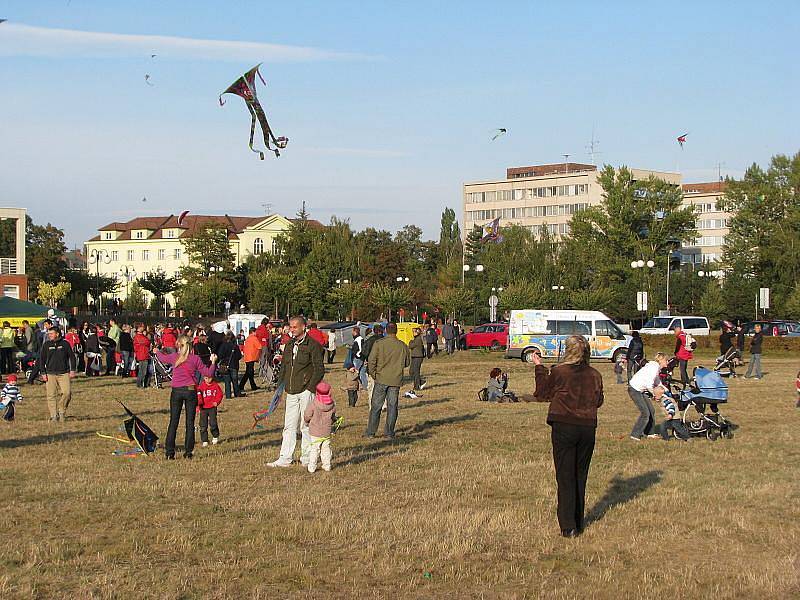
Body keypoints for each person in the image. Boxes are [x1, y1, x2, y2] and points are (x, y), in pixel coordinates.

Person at [530, 336, 603, 538]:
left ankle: (568, 525)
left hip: (564, 426)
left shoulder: (560, 372)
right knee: (581, 474)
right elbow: (599, 401)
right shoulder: (595, 374)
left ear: (568, 351)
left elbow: (541, 393)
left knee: (565, 475)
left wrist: (539, 367)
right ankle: (578, 522)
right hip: (587, 428)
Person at [267, 316, 325, 468]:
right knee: (289, 426)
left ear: (303, 327)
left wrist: (310, 388)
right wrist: (279, 387)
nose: (291, 330)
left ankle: (306, 457)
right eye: (290, 327)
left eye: (294, 327)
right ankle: (285, 458)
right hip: (291, 391)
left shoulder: (313, 345)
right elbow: (285, 367)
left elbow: (319, 369)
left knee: (305, 425)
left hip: (306, 390)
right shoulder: (289, 344)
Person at [157, 335, 217, 459]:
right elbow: (208, 373)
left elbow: (161, 358)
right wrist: (213, 362)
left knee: (173, 421)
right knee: (190, 423)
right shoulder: (195, 359)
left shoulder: (175, 357)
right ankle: (188, 452)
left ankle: (169, 452)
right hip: (190, 391)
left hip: (176, 391)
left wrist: (157, 351)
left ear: (179, 345)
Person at [365, 323, 410, 439]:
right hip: (395, 380)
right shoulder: (402, 345)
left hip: (380, 378)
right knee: (392, 406)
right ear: (396, 331)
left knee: (376, 406)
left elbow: (371, 360)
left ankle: (371, 432)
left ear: (386, 330)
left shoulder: (379, 344)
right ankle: (389, 432)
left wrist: (373, 374)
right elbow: (407, 363)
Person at [628, 353, 670, 441]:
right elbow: (649, 384)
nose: (667, 362)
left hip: (641, 390)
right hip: (634, 389)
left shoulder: (656, 368)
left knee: (651, 410)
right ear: (661, 360)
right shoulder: (653, 368)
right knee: (645, 413)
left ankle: (649, 433)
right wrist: (655, 394)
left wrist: (667, 391)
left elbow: (658, 382)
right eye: (666, 360)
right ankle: (635, 435)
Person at [39, 327, 77, 422]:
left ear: (57, 334)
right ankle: (53, 416)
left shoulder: (65, 344)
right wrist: (43, 372)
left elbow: (72, 357)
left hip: (63, 373)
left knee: (67, 393)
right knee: (51, 395)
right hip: (50, 374)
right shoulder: (46, 345)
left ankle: (62, 411)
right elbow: (41, 359)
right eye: (49, 333)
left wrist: (72, 370)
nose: (49, 335)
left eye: (51, 333)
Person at [303, 381, 336, 473]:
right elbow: (333, 417)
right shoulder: (332, 404)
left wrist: (306, 422)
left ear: (317, 392)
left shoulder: (313, 404)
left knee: (315, 449)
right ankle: (327, 465)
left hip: (315, 432)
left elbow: (307, 415)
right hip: (326, 431)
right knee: (326, 448)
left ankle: (312, 467)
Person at [197, 374, 223, 447]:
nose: (208, 380)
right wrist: (198, 406)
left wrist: (217, 402)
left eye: (209, 378)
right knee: (203, 425)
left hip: (212, 407)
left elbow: (220, 395)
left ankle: (215, 436)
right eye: (206, 378)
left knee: (213, 423)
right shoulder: (201, 386)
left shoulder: (215, 386)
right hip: (203, 408)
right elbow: (198, 397)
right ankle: (204, 440)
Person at [216, 331, 244, 398]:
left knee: (227, 381)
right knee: (235, 381)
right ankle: (236, 393)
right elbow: (239, 356)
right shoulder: (235, 346)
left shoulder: (223, 345)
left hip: (225, 365)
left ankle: (228, 395)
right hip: (234, 365)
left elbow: (220, 355)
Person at [361, 324, 383, 403]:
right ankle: (384, 404)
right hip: (384, 366)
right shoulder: (386, 340)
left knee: (372, 386)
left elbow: (364, 352)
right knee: (383, 387)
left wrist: (366, 359)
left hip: (372, 366)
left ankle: (372, 403)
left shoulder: (370, 340)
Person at [238, 327, 262, 392]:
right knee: (248, 373)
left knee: (250, 372)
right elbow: (259, 346)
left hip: (247, 357)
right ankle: (241, 386)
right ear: (253, 332)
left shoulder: (248, 338)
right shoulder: (254, 338)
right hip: (252, 357)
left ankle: (253, 386)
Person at [406, 327, 426, 398]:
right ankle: (421, 381)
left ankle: (417, 386)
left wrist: (410, 341)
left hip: (418, 357)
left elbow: (411, 345)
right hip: (414, 356)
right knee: (411, 371)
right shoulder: (415, 339)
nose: (413, 333)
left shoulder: (418, 340)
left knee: (416, 371)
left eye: (414, 332)